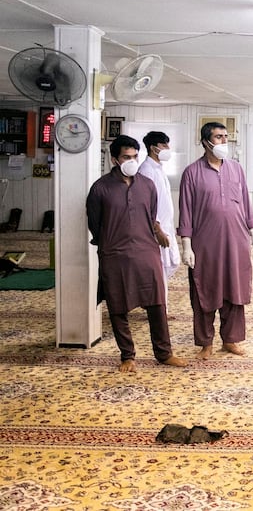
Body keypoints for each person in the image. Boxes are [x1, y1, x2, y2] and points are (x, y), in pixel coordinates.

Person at [86, 135, 187, 373]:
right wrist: (111, 244)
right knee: (118, 306)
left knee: (157, 304)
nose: (131, 161)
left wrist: (157, 235)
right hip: (114, 254)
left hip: (146, 252)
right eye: (126, 157)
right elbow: (95, 224)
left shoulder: (146, 185)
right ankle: (127, 356)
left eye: (134, 157)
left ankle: (164, 353)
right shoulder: (100, 188)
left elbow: (152, 217)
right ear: (114, 159)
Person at [177, 121, 253, 360]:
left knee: (234, 290)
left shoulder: (236, 169)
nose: (224, 141)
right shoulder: (192, 173)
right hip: (205, 245)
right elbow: (185, 211)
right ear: (206, 141)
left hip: (236, 242)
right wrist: (187, 245)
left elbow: (245, 201)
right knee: (205, 291)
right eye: (219, 137)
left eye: (226, 137)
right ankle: (206, 343)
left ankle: (230, 340)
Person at [137, 131, 180, 314]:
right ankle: (160, 311)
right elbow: (145, 204)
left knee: (166, 267)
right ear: (154, 148)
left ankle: (160, 308)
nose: (168, 149)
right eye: (165, 145)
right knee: (158, 271)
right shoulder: (146, 171)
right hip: (156, 230)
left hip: (165, 227)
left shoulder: (157, 168)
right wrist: (157, 230)